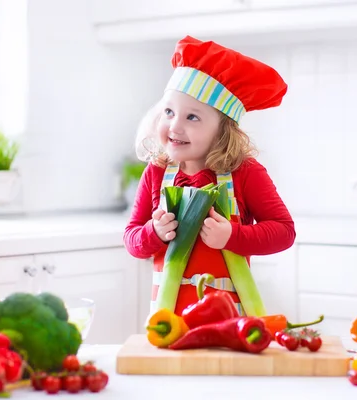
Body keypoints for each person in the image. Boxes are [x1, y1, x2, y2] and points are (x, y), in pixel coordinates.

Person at [123, 35, 296, 317]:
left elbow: (284, 231)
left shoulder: (245, 173)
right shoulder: (156, 173)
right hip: (168, 323)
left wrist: (232, 235)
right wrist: (153, 233)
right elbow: (132, 239)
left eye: (192, 117)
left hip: (231, 321)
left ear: (223, 129)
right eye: (169, 112)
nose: (174, 126)